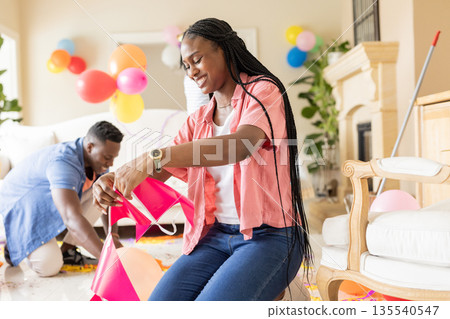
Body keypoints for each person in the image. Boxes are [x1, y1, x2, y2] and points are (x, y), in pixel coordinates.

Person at [93, 18, 312, 301]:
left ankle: (275, 286)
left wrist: (154, 156)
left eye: (196, 60)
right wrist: (114, 179)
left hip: (270, 238)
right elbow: (160, 170)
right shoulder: (198, 120)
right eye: (186, 66)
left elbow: (240, 145)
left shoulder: (263, 90)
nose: (192, 71)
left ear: (224, 50)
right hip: (215, 237)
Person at [0, 121, 123, 277]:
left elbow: (108, 195)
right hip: (22, 206)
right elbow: (71, 218)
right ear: (90, 147)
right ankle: (14, 242)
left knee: (101, 189)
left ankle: (68, 250)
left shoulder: (99, 163)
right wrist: (109, 260)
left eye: (113, 158)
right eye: (107, 157)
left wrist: (113, 235)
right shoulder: (63, 161)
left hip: (48, 200)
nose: (111, 163)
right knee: (49, 266)